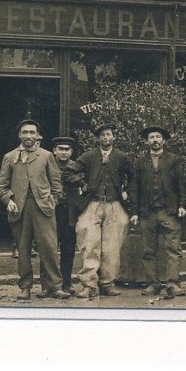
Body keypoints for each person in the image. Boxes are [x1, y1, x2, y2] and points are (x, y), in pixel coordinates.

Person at [0, 118, 70, 301]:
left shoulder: (46, 156)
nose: (29, 136)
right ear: (19, 135)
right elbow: (2, 187)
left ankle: (55, 286)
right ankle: (25, 287)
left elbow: (56, 185)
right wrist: (8, 201)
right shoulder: (10, 157)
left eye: (32, 132)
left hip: (43, 209)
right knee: (23, 250)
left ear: (38, 135)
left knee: (49, 248)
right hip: (20, 209)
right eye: (25, 132)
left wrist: (52, 201)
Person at [74, 122, 133, 299]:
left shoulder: (122, 157)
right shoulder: (89, 156)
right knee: (90, 244)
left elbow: (134, 178)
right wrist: (83, 184)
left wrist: (126, 191)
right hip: (93, 204)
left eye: (109, 135)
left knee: (112, 247)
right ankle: (89, 285)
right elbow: (69, 171)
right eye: (103, 135)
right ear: (98, 138)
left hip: (114, 205)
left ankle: (107, 283)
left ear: (113, 137)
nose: (106, 138)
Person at [129, 124, 186, 299]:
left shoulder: (173, 160)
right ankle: (153, 283)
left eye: (158, 137)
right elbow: (134, 188)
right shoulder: (140, 161)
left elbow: (181, 185)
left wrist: (182, 205)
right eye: (152, 137)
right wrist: (135, 212)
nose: (155, 140)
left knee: (174, 249)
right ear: (147, 141)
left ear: (164, 140)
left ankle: (172, 283)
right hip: (147, 213)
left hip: (169, 211)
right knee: (148, 250)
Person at [52, 136, 85, 295]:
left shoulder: (77, 167)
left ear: (71, 152)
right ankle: (51, 285)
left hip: (71, 212)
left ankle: (67, 283)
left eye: (67, 150)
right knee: (50, 249)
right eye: (61, 149)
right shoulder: (48, 164)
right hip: (52, 211)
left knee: (68, 249)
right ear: (55, 151)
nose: (64, 152)